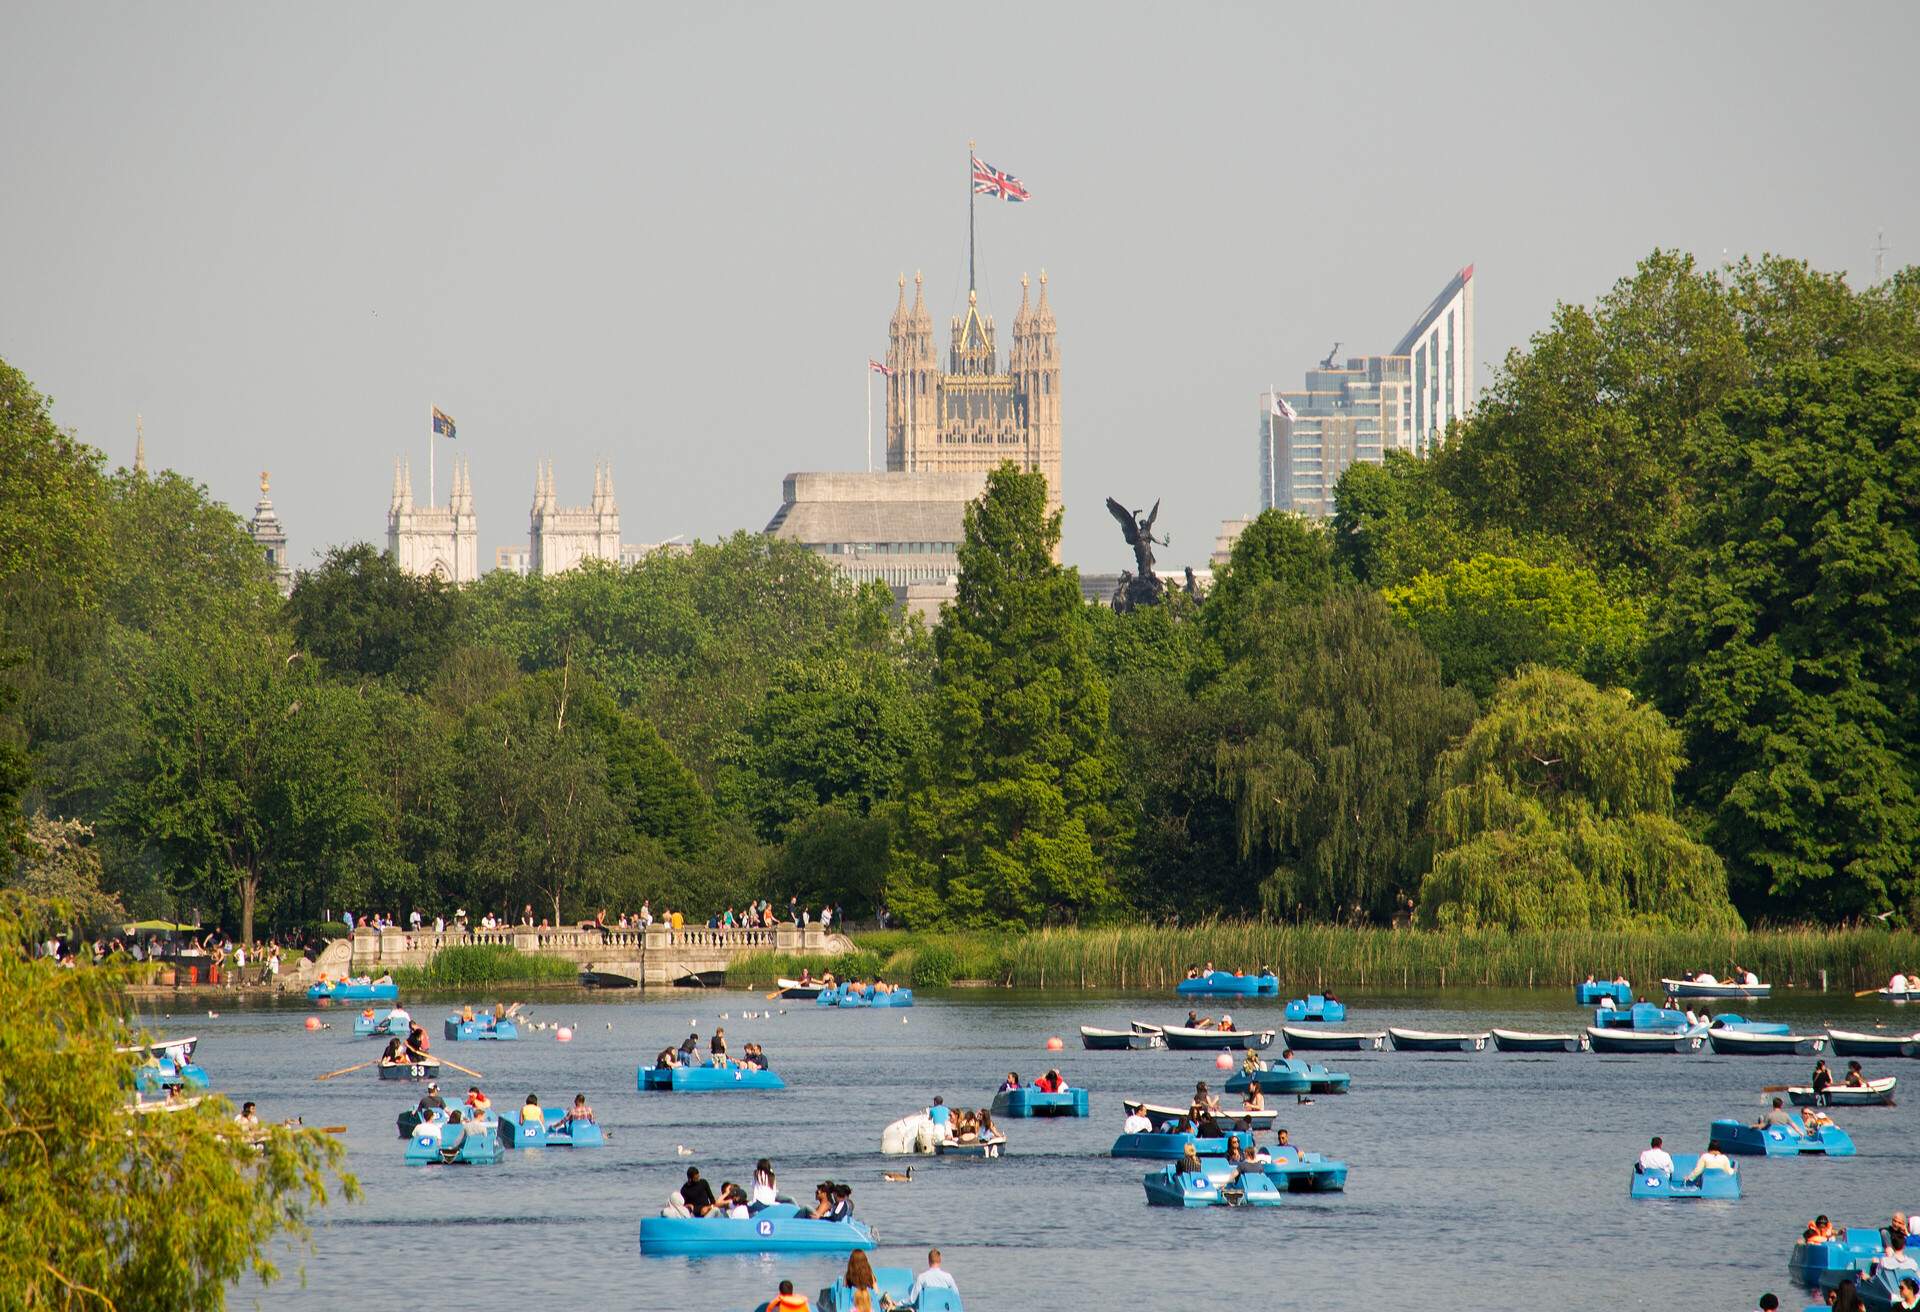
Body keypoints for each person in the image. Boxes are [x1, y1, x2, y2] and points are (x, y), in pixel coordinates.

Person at [885, 1250, 959, 1311]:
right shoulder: (948, 1277)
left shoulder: (922, 1277)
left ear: (929, 1261)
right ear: (940, 1260)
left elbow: (912, 1300)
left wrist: (898, 1303)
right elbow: (956, 1295)